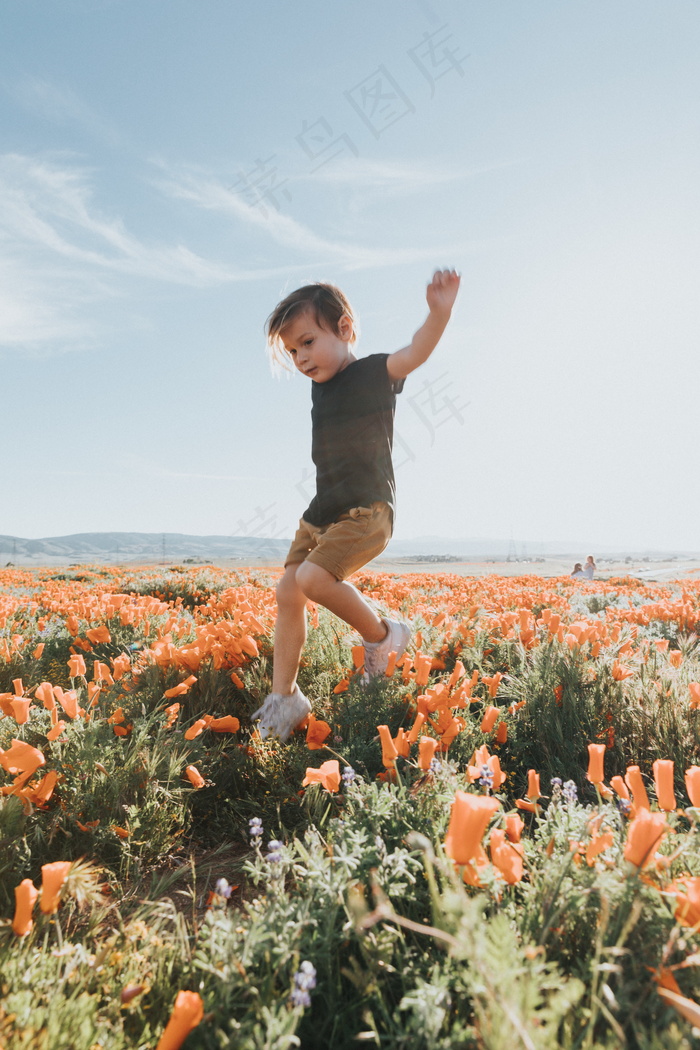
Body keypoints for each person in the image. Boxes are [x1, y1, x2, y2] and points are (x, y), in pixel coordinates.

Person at [252, 269, 461, 741]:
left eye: (307, 341)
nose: (301, 357)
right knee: (289, 592)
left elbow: (413, 354)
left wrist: (439, 313)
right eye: (292, 351)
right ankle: (285, 700)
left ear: (344, 329)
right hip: (322, 510)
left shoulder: (372, 372)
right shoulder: (320, 385)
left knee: (312, 579)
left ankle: (384, 637)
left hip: (366, 510)